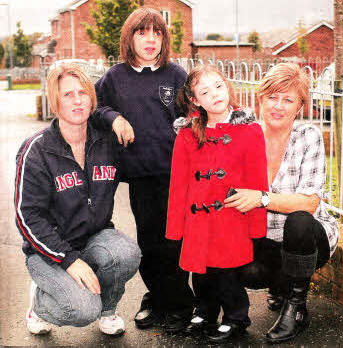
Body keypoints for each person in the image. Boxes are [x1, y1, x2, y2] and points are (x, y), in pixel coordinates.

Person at [14, 63, 141, 336]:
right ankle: (39, 303)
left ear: (92, 99)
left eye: (83, 93)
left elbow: (147, 165)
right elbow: (27, 217)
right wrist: (69, 259)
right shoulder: (36, 151)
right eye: (68, 94)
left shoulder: (107, 143)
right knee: (82, 309)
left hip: (94, 237)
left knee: (126, 253)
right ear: (55, 101)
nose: (77, 100)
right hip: (47, 252)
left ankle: (108, 310)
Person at [93, 7, 194, 333]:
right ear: (130, 37)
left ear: (164, 38)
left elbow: (194, 116)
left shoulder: (176, 75)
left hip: (174, 174)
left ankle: (180, 304)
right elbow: (95, 107)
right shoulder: (115, 77)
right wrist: (114, 118)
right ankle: (156, 297)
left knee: (173, 242)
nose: (150, 39)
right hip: (139, 174)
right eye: (142, 32)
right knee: (148, 243)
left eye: (157, 33)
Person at [225, 63, 339, 344]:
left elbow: (310, 203)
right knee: (247, 271)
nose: (278, 106)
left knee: (299, 219)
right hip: (264, 239)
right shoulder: (245, 135)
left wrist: (261, 198)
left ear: (300, 106)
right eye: (272, 97)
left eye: (288, 100)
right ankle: (279, 287)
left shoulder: (308, 136)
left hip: (307, 238)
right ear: (260, 98)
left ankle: (296, 308)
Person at [166, 64, 269, 342]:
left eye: (219, 86)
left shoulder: (250, 131)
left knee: (227, 273)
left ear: (228, 87)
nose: (215, 94)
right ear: (195, 101)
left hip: (232, 217)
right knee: (200, 271)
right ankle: (205, 311)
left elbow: (258, 181)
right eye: (205, 91)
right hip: (197, 218)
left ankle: (236, 317)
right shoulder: (187, 134)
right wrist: (176, 228)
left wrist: (256, 228)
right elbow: (178, 184)